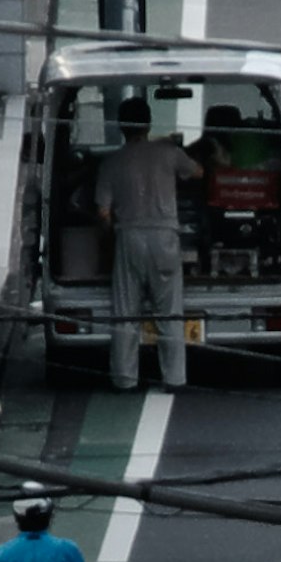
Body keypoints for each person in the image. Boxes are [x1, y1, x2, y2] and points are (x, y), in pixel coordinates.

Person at [103, 90, 191, 394]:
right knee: (170, 312)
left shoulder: (112, 162)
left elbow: (103, 211)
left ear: (120, 125)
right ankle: (174, 378)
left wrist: (110, 234)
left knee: (126, 312)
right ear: (149, 123)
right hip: (165, 237)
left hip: (129, 236)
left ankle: (125, 379)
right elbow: (199, 172)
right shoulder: (168, 153)